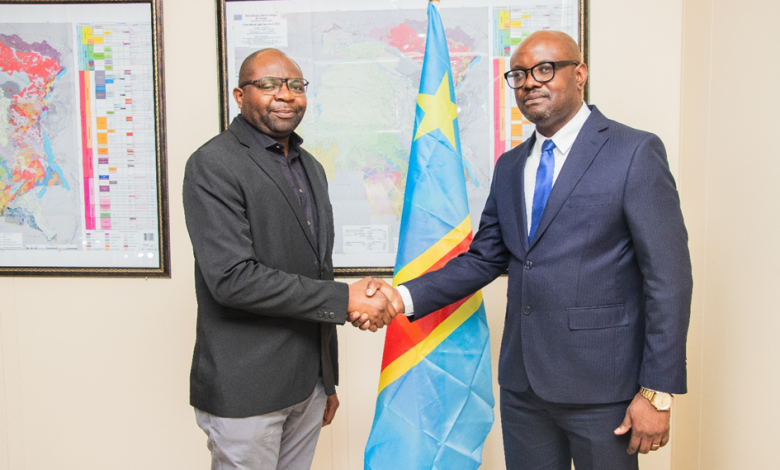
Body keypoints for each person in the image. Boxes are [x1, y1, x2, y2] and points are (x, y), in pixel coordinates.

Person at [356, 31, 692, 470]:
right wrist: (399, 297)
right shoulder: (511, 165)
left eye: (545, 70)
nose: (530, 82)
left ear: (580, 74)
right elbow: (484, 259)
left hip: (604, 389)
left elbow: (669, 279)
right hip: (523, 388)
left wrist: (657, 392)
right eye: (518, 74)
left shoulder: (634, 152)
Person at [183, 48, 394, 470]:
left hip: (308, 386)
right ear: (239, 95)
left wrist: (326, 379)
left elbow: (317, 270)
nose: (285, 94)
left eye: (295, 85)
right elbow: (232, 279)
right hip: (247, 390)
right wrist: (346, 298)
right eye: (268, 84)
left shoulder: (310, 166)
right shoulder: (213, 163)